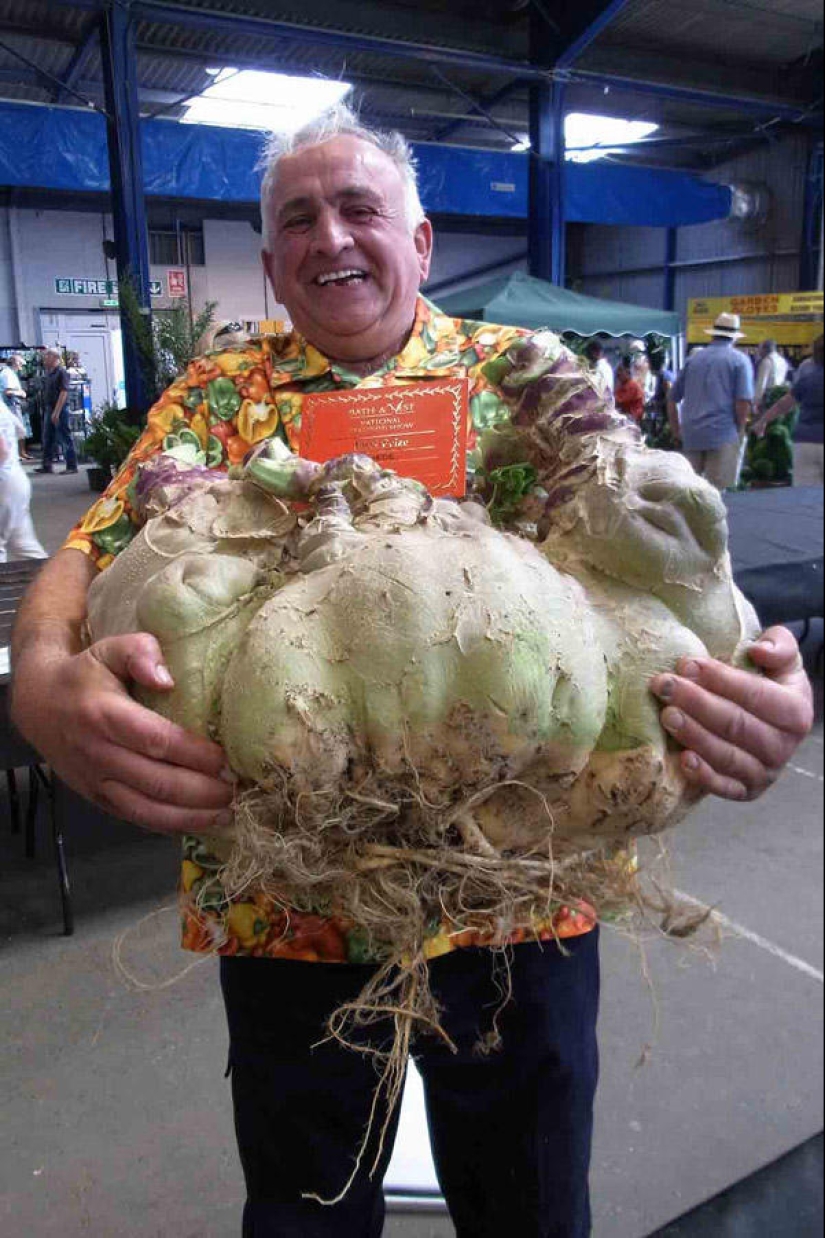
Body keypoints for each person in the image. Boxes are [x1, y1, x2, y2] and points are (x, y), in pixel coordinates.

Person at [10, 108, 814, 1238]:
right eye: (299, 218)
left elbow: (672, 571)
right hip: (290, 903)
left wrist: (764, 677)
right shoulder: (216, 399)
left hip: (527, 887)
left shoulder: (534, 381)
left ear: (422, 243)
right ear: (275, 257)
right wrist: (41, 677)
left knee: (530, 1199)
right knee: (306, 1206)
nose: (330, 235)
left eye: (359, 209)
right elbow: (87, 550)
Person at [667, 312, 754, 491]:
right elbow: (742, 402)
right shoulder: (740, 361)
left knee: (689, 492)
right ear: (734, 337)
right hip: (723, 433)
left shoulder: (693, 359)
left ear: (713, 333)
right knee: (718, 493)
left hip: (691, 433)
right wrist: (740, 430)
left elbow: (672, 398)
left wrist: (676, 430)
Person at [753, 333, 823, 485]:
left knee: (805, 498)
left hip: (805, 443)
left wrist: (762, 421)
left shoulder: (807, 379)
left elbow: (784, 404)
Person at [0, 392, 47, 562]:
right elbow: (19, 429)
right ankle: (52, 582)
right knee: (24, 546)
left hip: (3, 483)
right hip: (15, 481)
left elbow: (1, 450)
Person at [35, 347, 78, 475]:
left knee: (65, 436)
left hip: (59, 408)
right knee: (48, 437)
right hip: (50, 407)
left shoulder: (61, 372)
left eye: (47, 356)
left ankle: (72, 465)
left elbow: (63, 392)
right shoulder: (50, 373)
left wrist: (57, 411)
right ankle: (47, 465)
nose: (44, 359)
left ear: (55, 358)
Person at [0, 353, 33, 461]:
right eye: (20, 364)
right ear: (15, 363)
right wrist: (21, 393)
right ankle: (15, 454)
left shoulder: (10, 373)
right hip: (11, 405)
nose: (21, 367)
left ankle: (20, 453)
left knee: (18, 430)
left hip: (12, 405)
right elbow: (8, 391)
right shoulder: (7, 374)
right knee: (15, 430)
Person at [754, 338, 789, 413]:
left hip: (767, 398)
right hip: (780, 395)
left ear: (765, 349)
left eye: (760, 348)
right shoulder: (783, 361)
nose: (758, 352)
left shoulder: (767, 361)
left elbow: (761, 383)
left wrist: (756, 402)